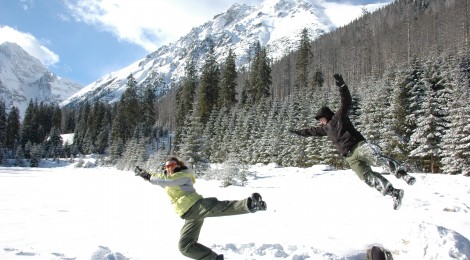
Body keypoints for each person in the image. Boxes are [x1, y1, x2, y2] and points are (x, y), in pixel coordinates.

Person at [290, 74, 416, 210]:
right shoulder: (326, 129)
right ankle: (394, 193)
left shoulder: (339, 117)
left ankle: (403, 175)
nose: (319, 122)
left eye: (320, 119)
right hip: (350, 158)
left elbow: (346, 101)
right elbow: (311, 132)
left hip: (359, 146)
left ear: (325, 116)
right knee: (367, 177)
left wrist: (342, 86)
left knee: (377, 158)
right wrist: (298, 132)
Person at [134, 157, 267, 260]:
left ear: (177, 166)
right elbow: (161, 180)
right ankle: (213, 258)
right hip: (189, 216)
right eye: (167, 166)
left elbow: (168, 180)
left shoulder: (182, 175)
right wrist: (143, 174)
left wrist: (149, 177)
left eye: (172, 165)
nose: (169, 168)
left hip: (197, 205)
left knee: (220, 207)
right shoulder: (165, 179)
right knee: (185, 246)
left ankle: (250, 204)